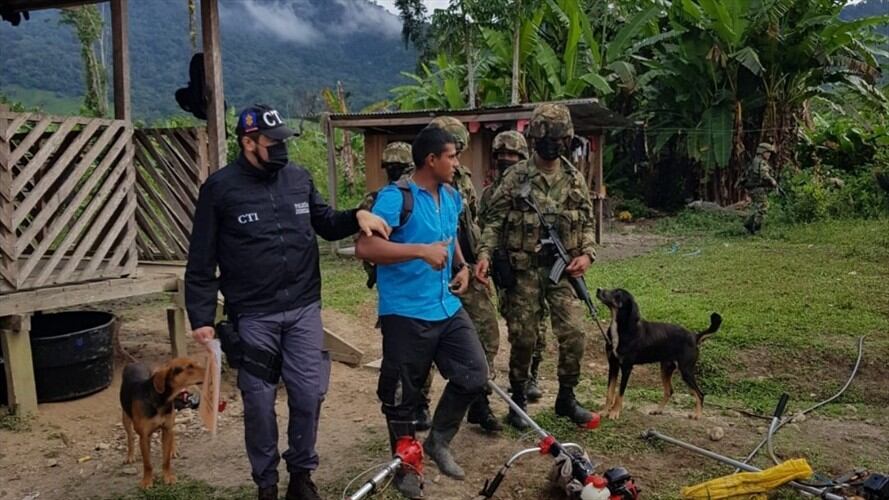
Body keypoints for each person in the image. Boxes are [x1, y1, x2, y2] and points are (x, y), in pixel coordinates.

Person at [185, 104, 390, 500]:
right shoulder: (220, 189)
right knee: (260, 403)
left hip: (302, 308)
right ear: (248, 143)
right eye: (271, 142)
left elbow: (326, 223)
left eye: (283, 141)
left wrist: (358, 216)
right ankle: (266, 483)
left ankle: (301, 475)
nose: (281, 149)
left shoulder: (298, 178)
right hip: (253, 315)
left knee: (308, 392)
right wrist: (201, 315)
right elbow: (201, 260)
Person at [355, 126, 488, 499]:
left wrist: (462, 266)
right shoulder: (396, 198)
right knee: (402, 396)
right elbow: (367, 248)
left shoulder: (451, 195)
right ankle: (406, 467)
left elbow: (451, 238)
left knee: (474, 373)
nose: (457, 163)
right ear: (431, 160)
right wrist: (419, 251)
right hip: (406, 312)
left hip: (445, 307)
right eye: (452, 156)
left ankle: (438, 441)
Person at [475, 104, 597, 430]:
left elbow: (586, 223)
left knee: (574, 333)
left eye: (559, 138)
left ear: (567, 139)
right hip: (523, 271)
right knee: (524, 338)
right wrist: (484, 255)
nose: (552, 144)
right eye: (546, 137)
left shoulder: (574, 179)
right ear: (534, 138)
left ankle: (567, 398)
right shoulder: (516, 178)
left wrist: (587, 254)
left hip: (562, 271)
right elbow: (494, 221)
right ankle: (518, 400)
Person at [427, 116, 502, 432]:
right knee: (427, 344)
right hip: (430, 271)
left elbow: (474, 224)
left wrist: (480, 258)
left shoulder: (464, 180)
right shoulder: (413, 183)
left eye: (458, 150)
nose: (455, 158)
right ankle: (416, 405)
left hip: (465, 267)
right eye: (451, 151)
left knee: (486, 332)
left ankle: (479, 401)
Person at [480, 130, 547, 403]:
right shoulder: (489, 194)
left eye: (513, 155)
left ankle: (532, 375)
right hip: (505, 267)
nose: (507, 160)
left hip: (535, 265)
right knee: (517, 325)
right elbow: (486, 228)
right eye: (502, 155)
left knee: (539, 323)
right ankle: (516, 381)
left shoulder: (533, 188)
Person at [743, 142, 778, 235]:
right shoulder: (761, 162)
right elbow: (764, 175)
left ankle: (748, 226)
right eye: (767, 152)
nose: (769, 154)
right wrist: (772, 180)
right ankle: (756, 229)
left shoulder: (756, 160)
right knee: (763, 208)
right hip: (757, 188)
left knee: (757, 208)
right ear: (762, 152)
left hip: (753, 188)